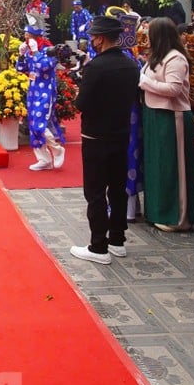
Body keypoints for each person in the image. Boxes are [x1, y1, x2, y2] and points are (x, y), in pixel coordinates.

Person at [70, 15, 140, 265]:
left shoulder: (96, 67)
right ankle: (117, 240)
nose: (92, 40)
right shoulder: (132, 66)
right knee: (118, 189)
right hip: (121, 134)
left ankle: (98, 245)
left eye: (93, 37)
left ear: (100, 38)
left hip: (96, 135)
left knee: (96, 191)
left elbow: (81, 103)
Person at [139, 16, 194, 232]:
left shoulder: (176, 59)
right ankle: (159, 211)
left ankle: (178, 217)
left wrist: (146, 83)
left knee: (175, 167)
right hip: (154, 113)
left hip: (173, 116)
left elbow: (173, 89)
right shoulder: (156, 57)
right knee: (158, 166)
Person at [17, 42, 66, 172]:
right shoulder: (30, 53)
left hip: (45, 93)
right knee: (33, 126)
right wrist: (21, 55)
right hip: (32, 93)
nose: (26, 38)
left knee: (39, 125)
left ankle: (57, 150)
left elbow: (44, 66)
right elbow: (21, 69)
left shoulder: (49, 51)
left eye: (29, 35)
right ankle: (44, 160)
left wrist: (36, 52)